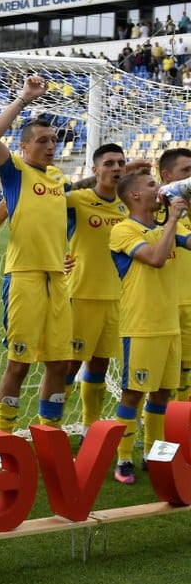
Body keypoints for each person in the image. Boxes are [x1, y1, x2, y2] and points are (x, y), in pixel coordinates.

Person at [0, 75, 75, 435]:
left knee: (59, 362)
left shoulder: (56, 179)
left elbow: (19, 208)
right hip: (24, 277)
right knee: (19, 364)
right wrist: (24, 98)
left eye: (53, 140)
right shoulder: (16, 171)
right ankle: (5, 436)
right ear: (23, 147)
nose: (51, 146)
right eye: (42, 141)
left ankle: (50, 431)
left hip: (57, 278)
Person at [109, 173, 190, 483]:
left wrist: (182, 215)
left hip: (170, 326)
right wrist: (172, 219)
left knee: (162, 394)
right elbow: (156, 258)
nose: (161, 189)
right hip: (141, 326)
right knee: (132, 393)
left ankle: (153, 454)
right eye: (153, 185)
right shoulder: (123, 229)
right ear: (134, 196)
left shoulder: (169, 225)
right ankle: (124, 459)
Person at [64, 144, 128, 437]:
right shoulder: (77, 200)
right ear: (95, 170)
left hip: (118, 297)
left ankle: (90, 425)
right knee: (67, 365)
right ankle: (51, 426)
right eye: (110, 163)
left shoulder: (130, 205)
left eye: (121, 163)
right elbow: (41, 219)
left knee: (100, 364)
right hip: (81, 294)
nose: (116, 168)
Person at [158, 148, 191, 405]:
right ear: (167, 176)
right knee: (164, 378)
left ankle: (183, 432)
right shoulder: (150, 212)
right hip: (162, 307)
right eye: (187, 172)